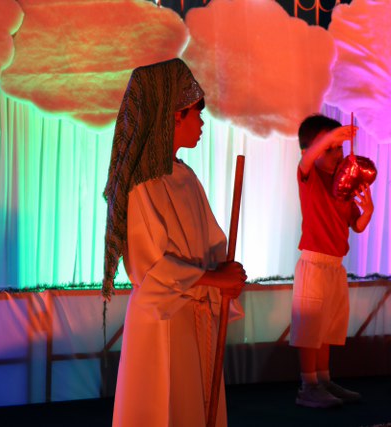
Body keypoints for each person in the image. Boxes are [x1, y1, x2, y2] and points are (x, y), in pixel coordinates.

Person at [103, 58, 247, 427]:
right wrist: (214, 278)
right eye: (197, 113)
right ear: (173, 116)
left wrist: (225, 273)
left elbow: (210, 244)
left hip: (194, 317)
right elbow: (152, 268)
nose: (202, 123)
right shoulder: (143, 184)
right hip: (163, 321)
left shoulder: (185, 176)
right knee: (164, 406)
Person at [291, 114, 374, 408]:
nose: (337, 153)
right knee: (309, 328)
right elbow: (306, 159)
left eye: (339, 148)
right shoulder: (310, 177)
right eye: (329, 148)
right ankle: (308, 385)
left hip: (335, 264)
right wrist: (329, 138)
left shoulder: (343, 184)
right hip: (314, 263)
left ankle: (323, 380)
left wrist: (367, 211)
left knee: (326, 326)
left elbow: (357, 225)